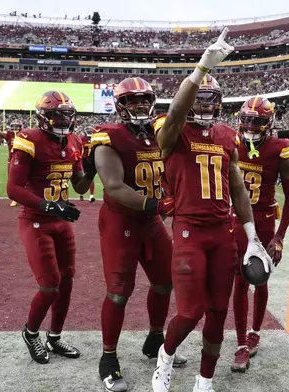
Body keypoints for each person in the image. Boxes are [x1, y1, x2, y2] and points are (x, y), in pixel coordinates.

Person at [151, 28, 272, 392]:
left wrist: (253, 238)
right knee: (191, 312)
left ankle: (205, 381)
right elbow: (174, 114)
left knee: (218, 310)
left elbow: (237, 186)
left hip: (223, 233)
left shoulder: (225, 135)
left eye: (209, 100)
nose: (203, 107)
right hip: (189, 230)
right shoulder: (172, 131)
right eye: (197, 99)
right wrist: (202, 66)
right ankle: (165, 356)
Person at [89, 77, 185, 392]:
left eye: (144, 100)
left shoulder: (158, 134)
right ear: (121, 106)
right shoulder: (109, 136)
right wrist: (158, 204)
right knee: (119, 292)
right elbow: (115, 188)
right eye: (133, 101)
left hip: (151, 221)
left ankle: (155, 338)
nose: (140, 106)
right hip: (122, 221)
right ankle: (108, 358)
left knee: (164, 282)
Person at [6, 90, 93, 364]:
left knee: (67, 281)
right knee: (49, 285)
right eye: (57, 115)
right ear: (44, 117)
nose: (63, 120)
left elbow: (79, 185)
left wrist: (92, 164)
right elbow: (13, 189)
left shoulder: (74, 140)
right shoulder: (29, 139)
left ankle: (54, 337)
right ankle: (31, 332)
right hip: (36, 220)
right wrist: (48, 206)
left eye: (67, 115)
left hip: (62, 219)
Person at [230, 95, 289, 372]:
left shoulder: (280, 148)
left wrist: (279, 236)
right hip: (234, 220)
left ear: (267, 123)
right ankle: (240, 344)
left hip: (264, 220)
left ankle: (255, 331)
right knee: (239, 281)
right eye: (245, 120)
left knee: (259, 279)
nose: (250, 126)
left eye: (256, 121)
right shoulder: (231, 142)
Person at [0, 115, 23, 206]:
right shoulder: (8, 134)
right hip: (12, 160)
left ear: (20, 127)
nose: (15, 128)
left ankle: (24, 198)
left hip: (23, 161)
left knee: (25, 181)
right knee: (12, 181)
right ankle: (15, 199)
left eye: (17, 126)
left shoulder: (25, 135)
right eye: (14, 126)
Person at [77, 128, 96, 203]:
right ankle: (81, 194)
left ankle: (91, 195)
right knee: (82, 177)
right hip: (83, 160)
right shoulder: (81, 139)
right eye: (88, 137)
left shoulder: (95, 139)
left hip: (90, 160)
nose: (89, 138)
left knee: (90, 177)